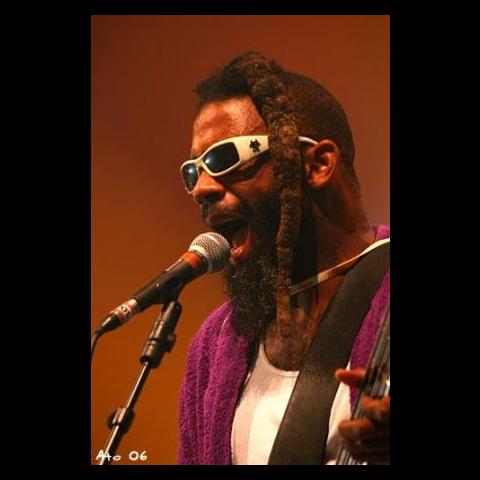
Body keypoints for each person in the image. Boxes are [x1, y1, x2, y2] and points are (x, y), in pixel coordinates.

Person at [177, 51, 390, 465]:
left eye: (225, 158)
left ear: (318, 164)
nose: (201, 187)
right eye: (192, 170)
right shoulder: (213, 347)